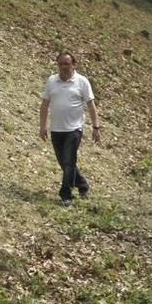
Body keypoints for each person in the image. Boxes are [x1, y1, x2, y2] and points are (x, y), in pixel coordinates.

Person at [39, 51, 102, 206]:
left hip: (74, 129)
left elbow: (91, 106)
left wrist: (96, 127)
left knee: (69, 162)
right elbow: (45, 105)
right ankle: (82, 185)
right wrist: (42, 126)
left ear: (73, 64)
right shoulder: (52, 81)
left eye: (67, 63)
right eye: (60, 64)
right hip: (56, 129)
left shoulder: (82, 82)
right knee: (65, 163)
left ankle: (66, 195)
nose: (63, 67)